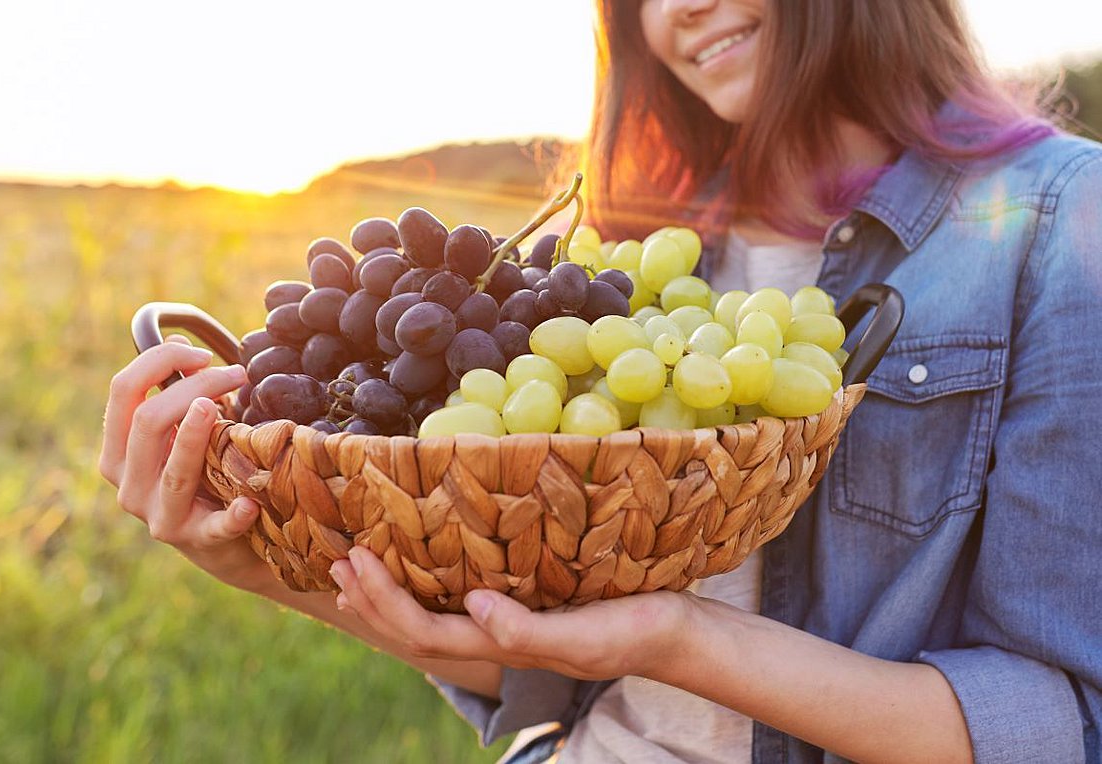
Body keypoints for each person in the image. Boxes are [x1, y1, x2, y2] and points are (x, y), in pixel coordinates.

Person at [99, 0, 1102, 761]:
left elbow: (1064, 722)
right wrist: (276, 571)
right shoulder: (615, 259)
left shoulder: (1061, 218)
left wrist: (682, 638)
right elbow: (542, 664)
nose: (677, 12)